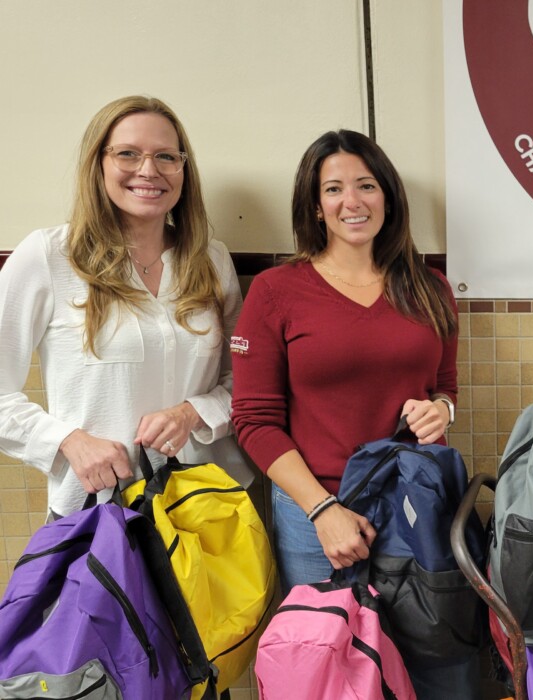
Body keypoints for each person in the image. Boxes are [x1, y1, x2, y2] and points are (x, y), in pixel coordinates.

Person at [230, 129, 471, 696]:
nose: (351, 201)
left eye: (365, 185)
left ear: (387, 195)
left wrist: (441, 410)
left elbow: (445, 386)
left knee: (432, 665)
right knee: (333, 675)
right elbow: (255, 422)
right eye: (333, 188)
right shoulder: (275, 292)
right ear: (315, 205)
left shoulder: (429, 288)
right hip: (317, 516)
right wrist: (323, 510)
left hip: (417, 509)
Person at [0, 96, 241, 519]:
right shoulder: (48, 256)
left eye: (166, 156)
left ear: (183, 169)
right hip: (94, 513)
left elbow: (244, 382)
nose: (149, 170)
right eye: (128, 153)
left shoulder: (212, 259)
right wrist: (67, 442)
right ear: (99, 164)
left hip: (202, 514)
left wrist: (194, 414)